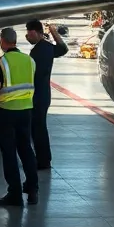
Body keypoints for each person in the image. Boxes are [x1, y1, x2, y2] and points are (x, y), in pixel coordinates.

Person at [0, 27, 39, 207]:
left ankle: (14, 193)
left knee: (9, 153)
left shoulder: (2, 62)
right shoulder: (29, 60)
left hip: (6, 112)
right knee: (26, 150)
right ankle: (32, 189)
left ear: (2, 40)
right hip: (26, 111)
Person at [24, 19, 69, 170]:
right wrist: (54, 32)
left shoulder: (39, 50)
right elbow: (63, 49)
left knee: (38, 129)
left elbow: (34, 75)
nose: (27, 37)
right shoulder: (48, 47)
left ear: (34, 32)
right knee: (39, 128)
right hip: (43, 95)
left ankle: (43, 161)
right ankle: (44, 158)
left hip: (37, 95)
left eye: (28, 33)